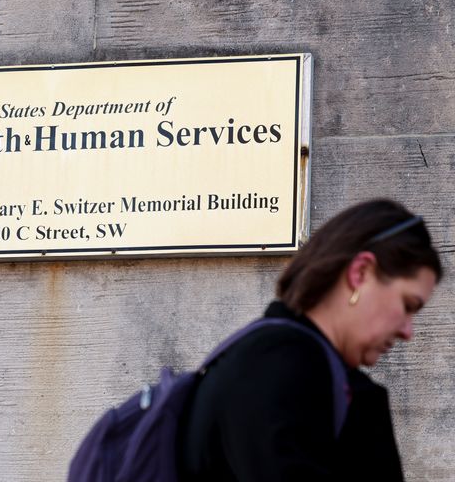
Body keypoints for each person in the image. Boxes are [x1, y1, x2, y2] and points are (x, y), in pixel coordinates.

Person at [176, 199, 442, 481]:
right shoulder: (282, 368)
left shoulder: (273, 359)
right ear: (360, 272)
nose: (407, 332)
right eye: (407, 305)